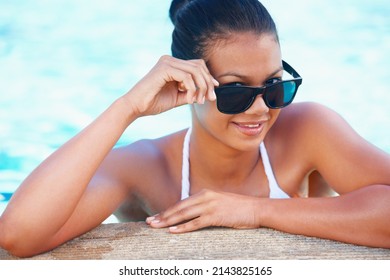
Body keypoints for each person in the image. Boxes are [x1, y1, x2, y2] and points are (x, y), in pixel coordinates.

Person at [1, 0, 389, 258]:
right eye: (236, 92)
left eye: (275, 86)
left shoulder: (306, 129)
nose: (261, 108)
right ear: (190, 84)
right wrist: (127, 108)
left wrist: (254, 211)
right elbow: (19, 235)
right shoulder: (145, 165)